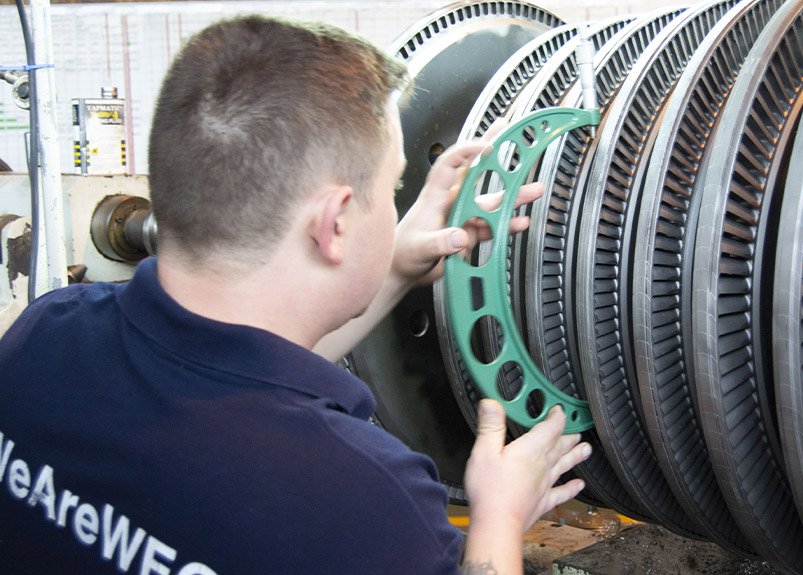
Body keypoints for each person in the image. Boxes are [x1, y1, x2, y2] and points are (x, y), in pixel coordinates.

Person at [0, 15, 590, 575]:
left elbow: (244, 373)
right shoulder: (362, 499)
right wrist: (499, 520)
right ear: (333, 223)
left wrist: (393, 268)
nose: (394, 212)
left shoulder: (45, 333)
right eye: (392, 190)